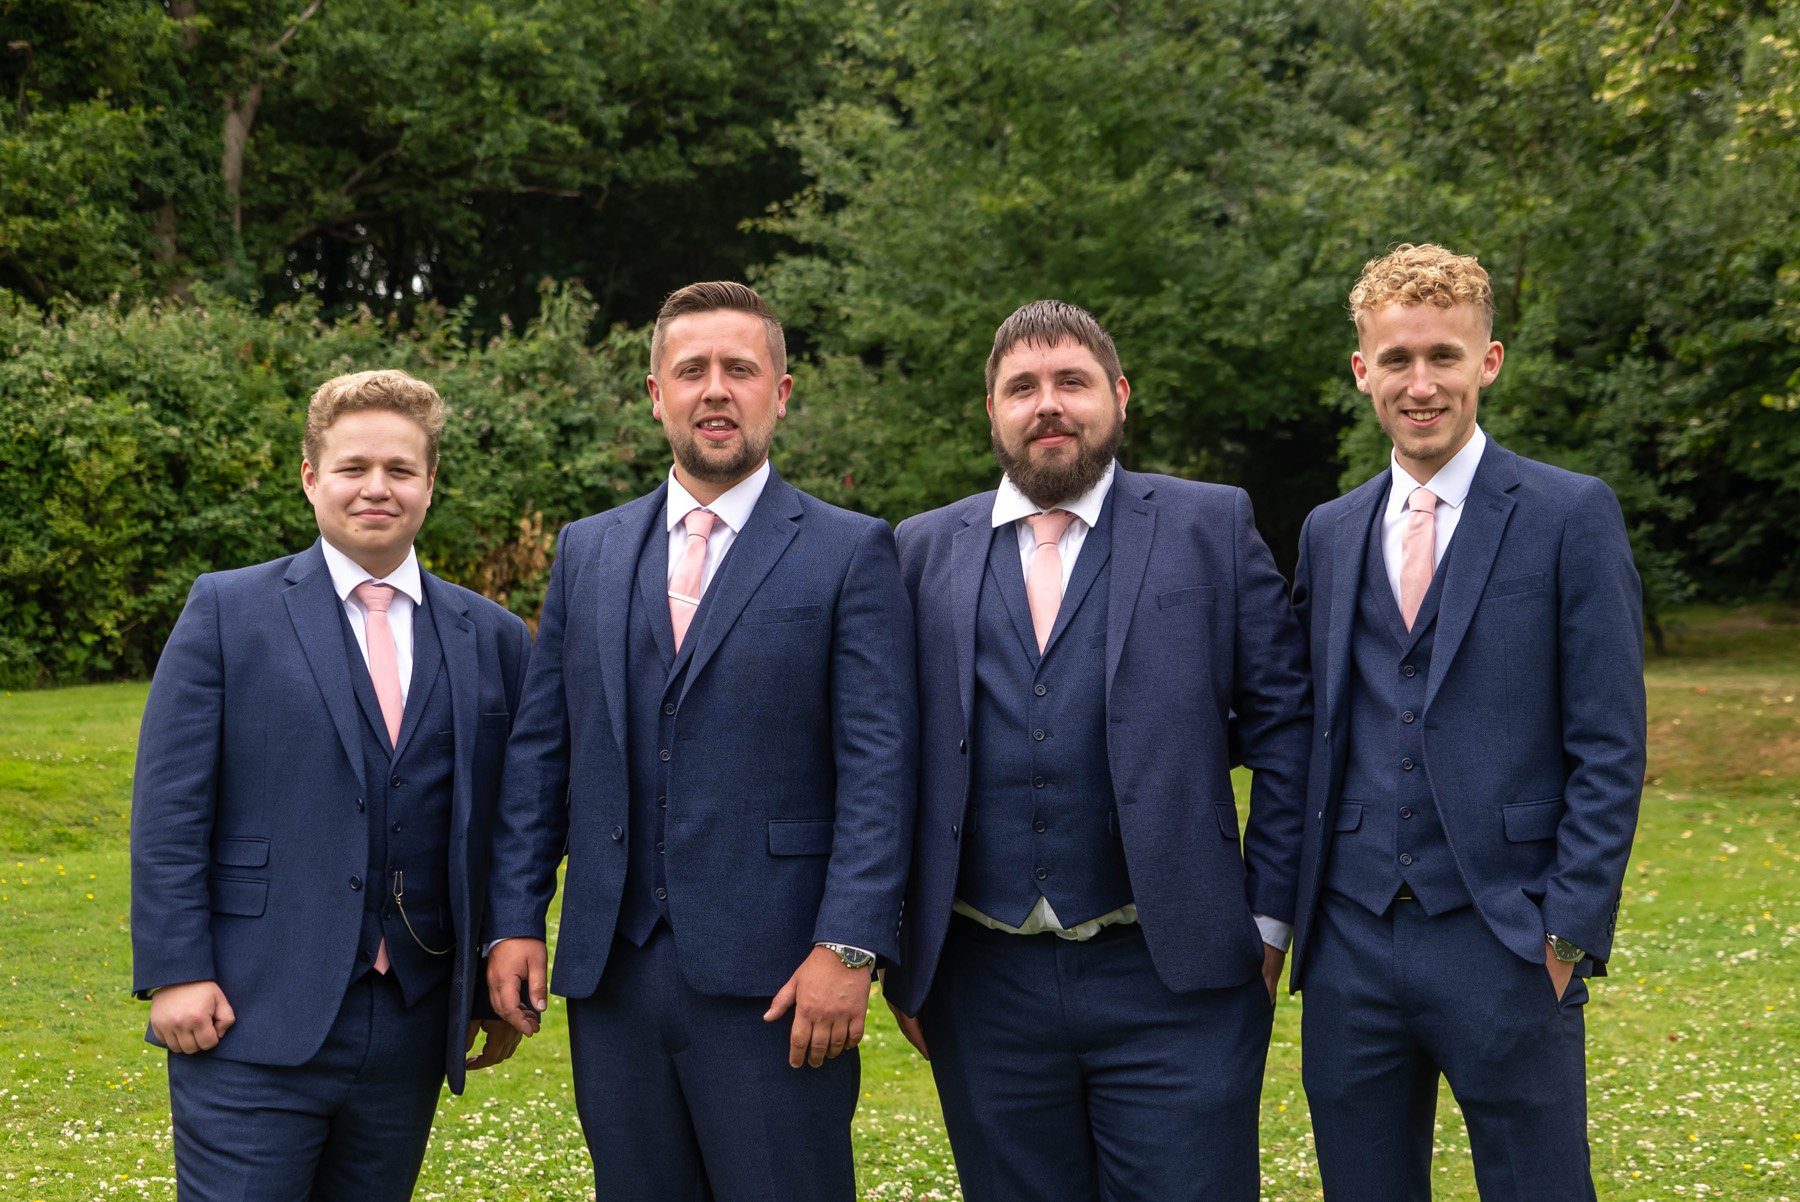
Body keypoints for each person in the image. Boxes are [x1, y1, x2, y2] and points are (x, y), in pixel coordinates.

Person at [484, 280, 918, 1201]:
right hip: (616, 976)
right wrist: (517, 916)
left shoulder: (849, 550)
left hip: (781, 980)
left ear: (782, 392)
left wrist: (848, 948)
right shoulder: (588, 550)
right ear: (656, 394)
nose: (715, 390)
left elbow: (881, 769)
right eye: (692, 371)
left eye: (739, 369)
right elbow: (541, 758)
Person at [882, 299, 1311, 1201]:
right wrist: (895, 948)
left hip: (1175, 978)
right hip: (982, 981)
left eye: (1072, 382)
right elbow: (883, 760)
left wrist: (1267, 921)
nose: (1050, 405)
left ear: (1118, 396)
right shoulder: (916, 553)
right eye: (1023, 387)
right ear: (990, 409)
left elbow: (1287, 731)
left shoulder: (1211, 527)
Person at [1288, 243, 1646, 1200]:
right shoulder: (1329, 531)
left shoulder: (1571, 514)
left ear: (1487, 362)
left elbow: (1610, 744)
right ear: (1362, 370)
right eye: (1397, 360)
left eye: (1444, 356)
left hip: (1508, 935)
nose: (1421, 384)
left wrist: (1567, 929)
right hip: (1350, 944)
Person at [129, 369, 529, 1199]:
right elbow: (170, 809)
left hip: (414, 1020)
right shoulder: (225, 612)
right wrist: (174, 970)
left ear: (429, 484)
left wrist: (489, 968)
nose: (375, 488)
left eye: (399, 469)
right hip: (247, 1008)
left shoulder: (489, 634)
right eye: (352, 468)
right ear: (311, 478)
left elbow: (505, 820)